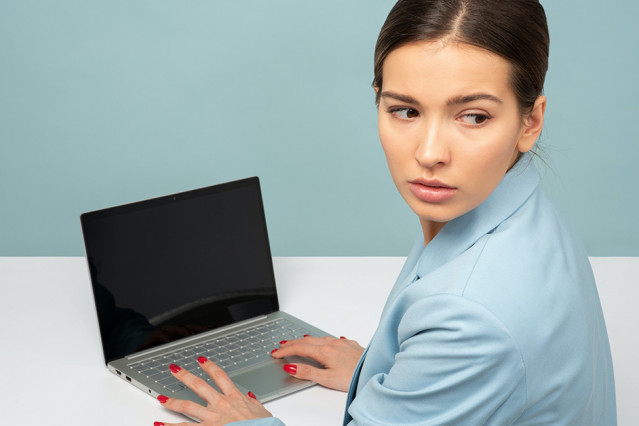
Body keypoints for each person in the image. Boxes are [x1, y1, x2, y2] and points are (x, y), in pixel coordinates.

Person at [153, 0, 616, 424]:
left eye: (473, 116)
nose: (430, 153)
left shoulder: (467, 317)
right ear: (378, 98)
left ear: (529, 121)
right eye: (406, 110)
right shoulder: (519, 205)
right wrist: (386, 370)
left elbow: (478, 324)